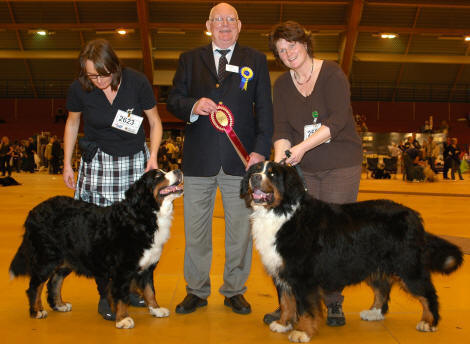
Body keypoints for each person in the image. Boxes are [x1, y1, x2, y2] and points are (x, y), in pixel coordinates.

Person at [166, 2, 273, 315]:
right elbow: (172, 99)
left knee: (239, 229)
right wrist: (191, 104)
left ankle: (234, 289)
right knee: (195, 231)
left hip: (241, 160)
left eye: (230, 19)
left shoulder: (255, 60)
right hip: (199, 160)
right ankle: (196, 291)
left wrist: (260, 150)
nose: (224, 24)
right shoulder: (189, 59)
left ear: (239, 25)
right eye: (218, 19)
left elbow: (265, 109)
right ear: (208, 25)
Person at [266, 21, 362, 327]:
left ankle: (333, 302)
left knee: (332, 237)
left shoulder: (332, 72)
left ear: (305, 44)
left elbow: (339, 119)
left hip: (340, 163)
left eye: (292, 45)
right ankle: (298, 303)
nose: (288, 52)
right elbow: (281, 128)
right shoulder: (281, 85)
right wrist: (279, 162)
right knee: (302, 241)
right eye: (281, 50)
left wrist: (303, 147)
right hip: (304, 169)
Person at [63, 39, 163, 320]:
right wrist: (67, 164)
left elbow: (154, 122)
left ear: (115, 66)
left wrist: (152, 156)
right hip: (97, 164)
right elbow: (72, 123)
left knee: (133, 233)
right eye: (91, 75)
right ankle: (106, 294)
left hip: (133, 162)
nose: (98, 80)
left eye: (103, 74)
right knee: (100, 234)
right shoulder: (80, 87)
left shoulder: (137, 82)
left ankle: (128, 288)